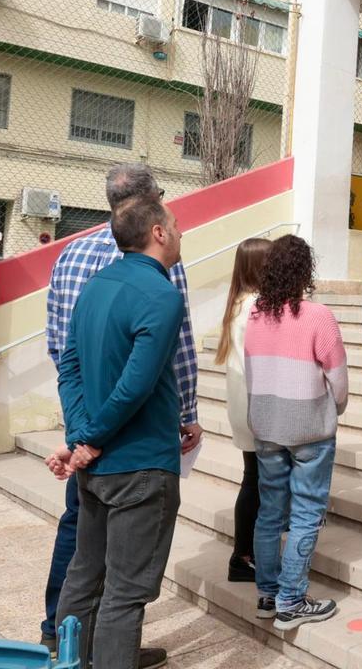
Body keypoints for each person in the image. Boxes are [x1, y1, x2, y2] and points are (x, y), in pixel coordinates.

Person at [41, 163, 199, 668]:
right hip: (139, 464)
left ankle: (71, 661)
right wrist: (88, 438)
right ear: (157, 232)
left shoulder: (94, 283)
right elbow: (138, 383)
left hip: (97, 465)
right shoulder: (162, 293)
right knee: (125, 594)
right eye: (174, 226)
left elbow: (67, 362)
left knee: (86, 574)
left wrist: (79, 436)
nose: (179, 234)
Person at [244, 235, 345, 630]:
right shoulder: (319, 316)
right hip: (309, 430)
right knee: (305, 514)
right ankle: (292, 599)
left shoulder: (255, 313)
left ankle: (268, 594)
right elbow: (338, 380)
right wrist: (333, 408)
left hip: (267, 426)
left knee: (270, 512)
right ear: (305, 271)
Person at [213, 238, 271, 583]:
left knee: (254, 479)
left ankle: (245, 554)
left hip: (243, 405)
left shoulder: (237, 302)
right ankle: (243, 556)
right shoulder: (255, 307)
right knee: (255, 483)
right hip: (256, 407)